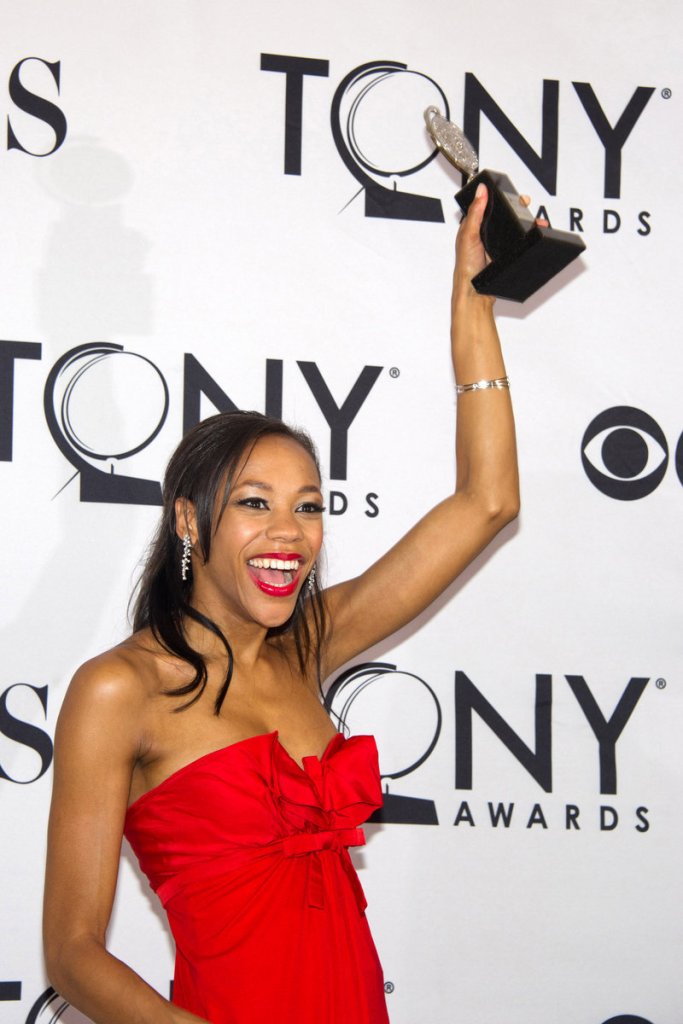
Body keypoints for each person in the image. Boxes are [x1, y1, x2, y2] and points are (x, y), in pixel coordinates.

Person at [43, 183, 520, 1024]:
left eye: (307, 505)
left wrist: (473, 295)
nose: (289, 533)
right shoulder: (119, 689)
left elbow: (486, 502)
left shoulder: (306, 647)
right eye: (255, 503)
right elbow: (73, 951)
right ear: (190, 519)